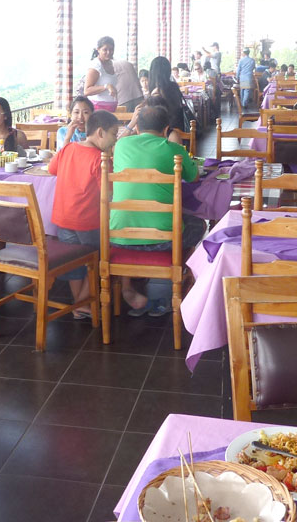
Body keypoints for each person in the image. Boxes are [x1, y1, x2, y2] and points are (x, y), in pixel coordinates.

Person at [110, 102, 206, 316]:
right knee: (198, 225)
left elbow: (118, 142)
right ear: (166, 129)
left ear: (137, 127)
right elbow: (194, 177)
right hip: (164, 241)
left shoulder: (121, 146)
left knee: (133, 220)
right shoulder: (173, 150)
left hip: (119, 238)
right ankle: (181, 278)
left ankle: (128, 286)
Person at [48, 110, 120, 316]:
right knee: (101, 257)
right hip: (88, 221)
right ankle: (81, 302)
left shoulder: (69, 148)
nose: (115, 139)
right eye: (113, 134)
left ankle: (79, 304)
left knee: (75, 263)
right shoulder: (100, 159)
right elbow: (109, 193)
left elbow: (52, 169)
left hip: (63, 219)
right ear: (100, 132)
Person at [148, 56, 191, 132]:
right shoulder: (174, 87)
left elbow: (153, 116)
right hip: (179, 128)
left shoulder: (156, 92)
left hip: (163, 131)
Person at [83, 35, 119, 112]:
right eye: (105, 50)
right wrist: (106, 86)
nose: (108, 52)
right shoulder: (96, 65)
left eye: (111, 49)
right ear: (98, 50)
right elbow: (87, 91)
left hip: (111, 107)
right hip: (98, 108)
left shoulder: (111, 63)